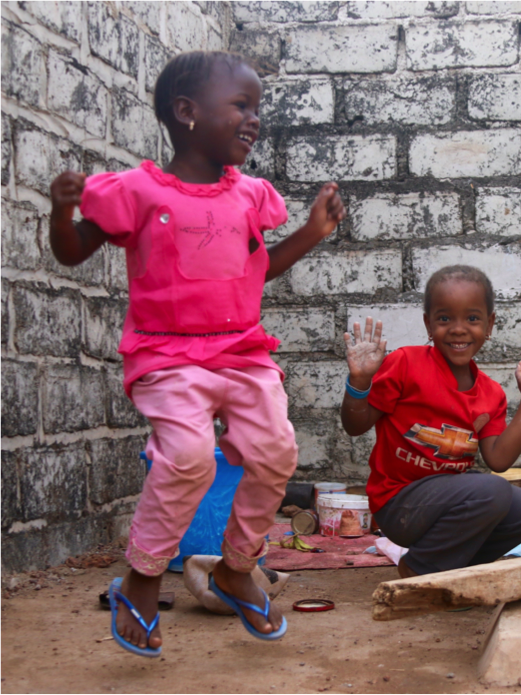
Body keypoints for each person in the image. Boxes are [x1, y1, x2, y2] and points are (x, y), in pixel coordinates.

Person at [48, 51, 345, 656]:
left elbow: (255, 274)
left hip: (241, 352)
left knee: (275, 450)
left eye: (256, 108)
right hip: (168, 357)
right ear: (187, 113)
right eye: (241, 105)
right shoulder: (133, 192)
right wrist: (60, 210)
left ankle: (237, 565)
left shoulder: (250, 197)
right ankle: (144, 573)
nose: (254, 118)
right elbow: (73, 252)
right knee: (187, 456)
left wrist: (312, 232)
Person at [340, 265, 521, 578]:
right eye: (445, 318)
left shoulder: (490, 394)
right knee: (491, 490)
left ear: (490, 324)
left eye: (473, 318)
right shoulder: (406, 364)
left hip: (447, 504)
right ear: (428, 323)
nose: (458, 329)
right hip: (399, 505)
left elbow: (500, 460)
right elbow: (355, 427)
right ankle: (418, 568)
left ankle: (456, 571)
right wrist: (359, 383)